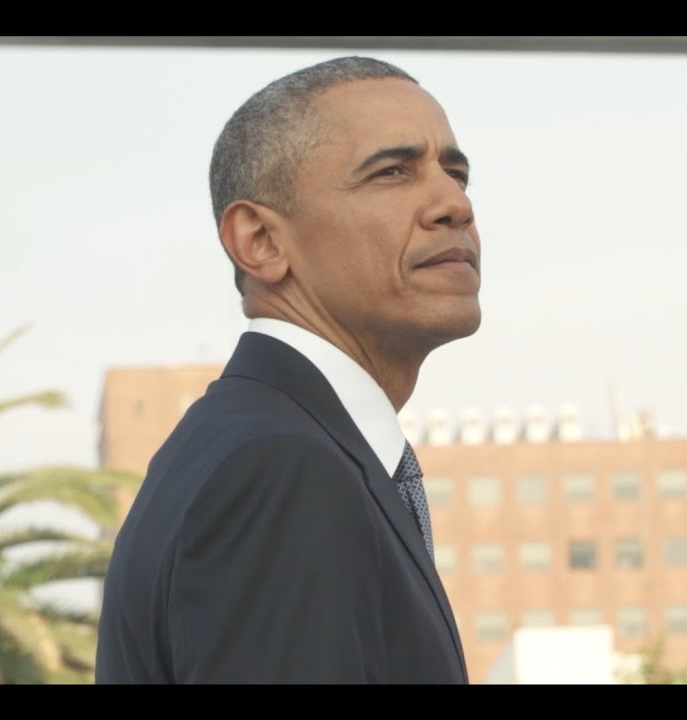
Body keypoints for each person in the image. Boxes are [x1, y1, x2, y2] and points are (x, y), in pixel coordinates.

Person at [95, 56, 480, 684]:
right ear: (260, 241)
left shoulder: (260, 446)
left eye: (456, 172)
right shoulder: (280, 467)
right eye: (392, 172)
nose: (453, 203)